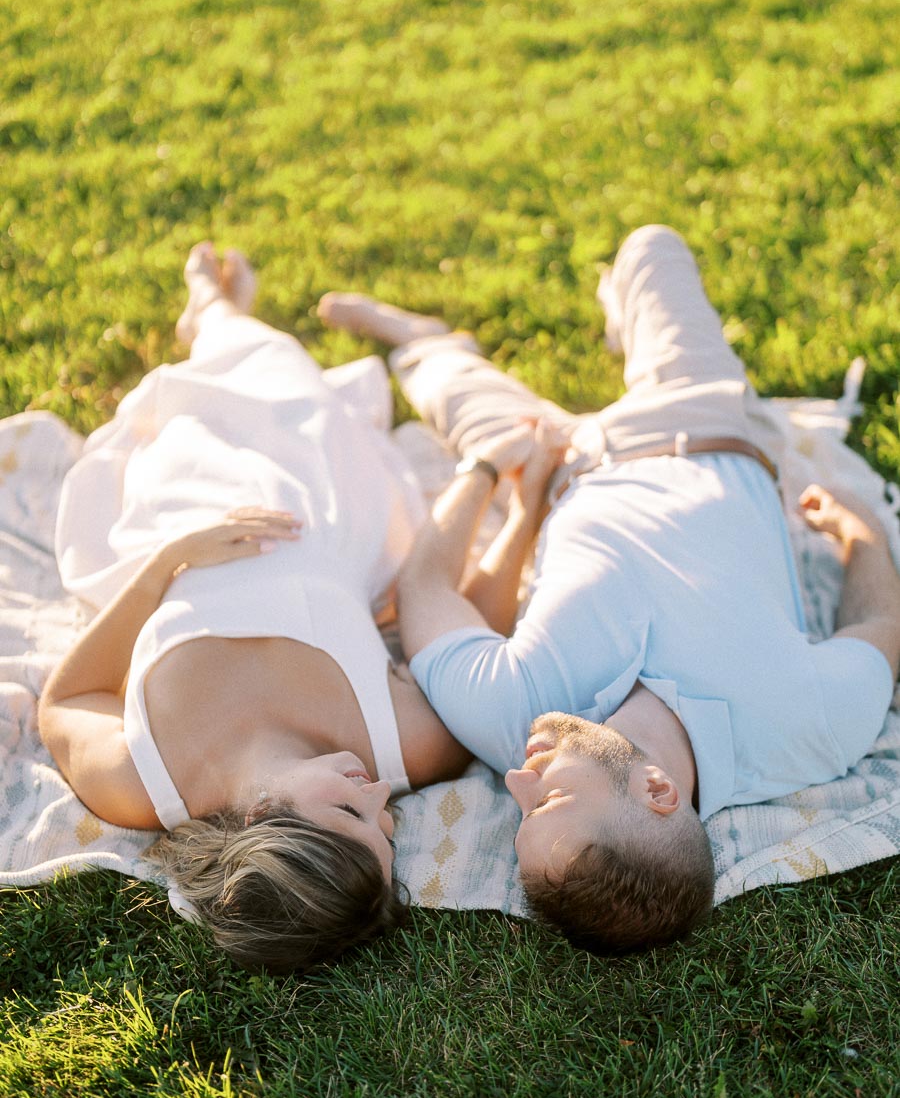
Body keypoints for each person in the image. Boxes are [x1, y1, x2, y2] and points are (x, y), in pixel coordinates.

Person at [318, 224, 900, 955]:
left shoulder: (511, 716)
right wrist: (860, 536)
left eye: (522, 814)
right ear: (657, 792)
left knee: (452, 396)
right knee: (652, 246)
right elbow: (878, 622)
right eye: (550, 799)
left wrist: (491, 475)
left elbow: (426, 587)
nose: (516, 784)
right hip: (700, 421)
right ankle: (621, 314)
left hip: (556, 469)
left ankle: (423, 336)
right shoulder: (811, 728)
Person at [39, 243, 473, 974]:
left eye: (350, 811)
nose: (381, 799)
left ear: (263, 814)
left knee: (191, 421)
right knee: (287, 388)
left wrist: (166, 564)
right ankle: (224, 318)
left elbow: (67, 700)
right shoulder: (413, 745)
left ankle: (212, 312)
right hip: (323, 508)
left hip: (187, 520)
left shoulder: (141, 785)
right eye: (387, 828)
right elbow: (455, 610)